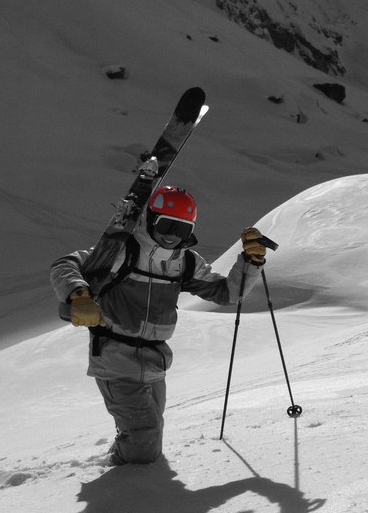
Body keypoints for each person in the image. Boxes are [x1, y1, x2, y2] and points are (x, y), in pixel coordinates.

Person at [49, 185, 267, 466]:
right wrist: (78, 295)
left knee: (149, 434)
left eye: (182, 229)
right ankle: (124, 475)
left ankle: (130, 471)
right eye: (166, 225)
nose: (172, 235)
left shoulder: (185, 263)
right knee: (145, 442)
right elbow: (65, 265)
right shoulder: (122, 251)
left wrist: (251, 262)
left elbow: (227, 294)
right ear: (150, 219)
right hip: (115, 359)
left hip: (155, 362)